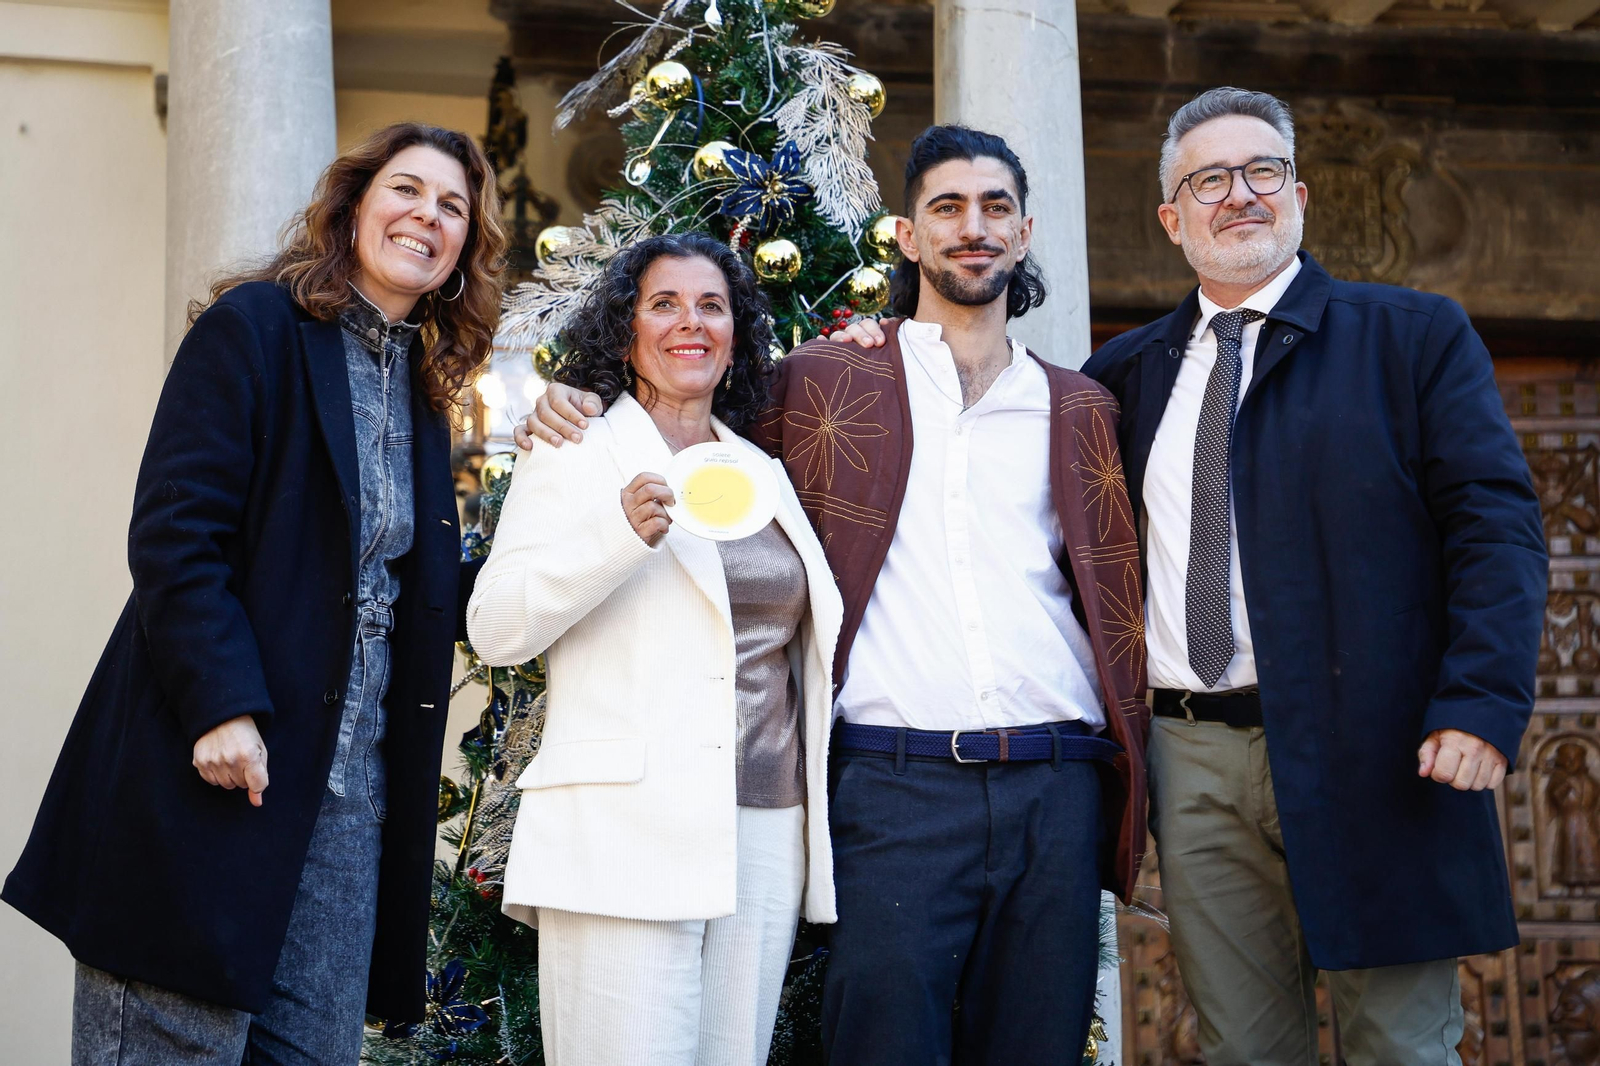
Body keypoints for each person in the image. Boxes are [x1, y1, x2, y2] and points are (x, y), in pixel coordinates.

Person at [838, 85, 1547, 1065]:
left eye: (1261, 172)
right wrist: (871, 343)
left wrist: (1478, 700)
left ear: (1297, 195)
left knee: (1401, 1046)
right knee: (1243, 1050)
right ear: (1171, 218)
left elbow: (1496, 526)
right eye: (1209, 179)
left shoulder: (1411, 338)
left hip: (1375, 750)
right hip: (1193, 759)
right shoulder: (1119, 378)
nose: (1239, 195)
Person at [524, 126, 1148, 1064]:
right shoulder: (822, 382)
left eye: (995, 209)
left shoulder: (1081, 408)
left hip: (1055, 786)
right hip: (893, 788)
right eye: (946, 207)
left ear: (1025, 234)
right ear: (905, 236)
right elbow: (689, 415)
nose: (972, 228)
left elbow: (1115, 591)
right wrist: (573, 400)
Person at [3, 122, 507, 1065]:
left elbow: (425, 589)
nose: (425, 217)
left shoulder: (427, 395)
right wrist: (221, 706)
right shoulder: (255, 328)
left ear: (463, 250)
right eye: (406, 190)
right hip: (216, 774)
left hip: (349, 812)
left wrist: (583, 502)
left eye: (453, 207)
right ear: (356, 205)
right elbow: (174, 532)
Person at [468, 232, 845, 1066]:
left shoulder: (759, 469)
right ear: (626, 328)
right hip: (620, 828)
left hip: (764, 827)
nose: (691, 323)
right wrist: (614, 537)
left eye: (712, 305)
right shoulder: (575, 446)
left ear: (737, 331)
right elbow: (494, 630)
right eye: (664, 303)